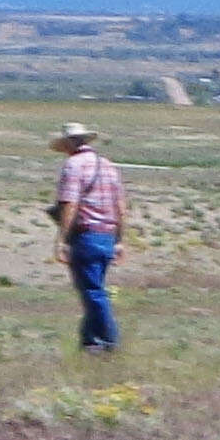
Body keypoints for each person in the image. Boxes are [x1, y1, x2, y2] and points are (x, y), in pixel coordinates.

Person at [45, 125, 129, 353]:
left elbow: (70, 204)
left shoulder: (73, 166)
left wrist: (61, 239)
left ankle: (109, 340)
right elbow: (121, 207)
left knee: (92, 292)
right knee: (95, 288)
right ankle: (91, 344)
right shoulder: (109, 166)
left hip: (86, 236)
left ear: (69, 143)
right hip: (107, 235)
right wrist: (120, 240)